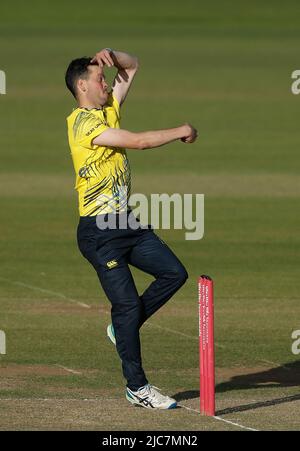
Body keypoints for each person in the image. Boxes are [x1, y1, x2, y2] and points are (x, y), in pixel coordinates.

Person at [65, 48, 198, 409]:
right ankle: (137, 388)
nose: (105, 83)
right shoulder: (83, 124)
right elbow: (138, 142)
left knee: (174, 273)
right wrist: (182, 130)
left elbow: (132, 65)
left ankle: (123, 327)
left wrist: (112, 53)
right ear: (82, 86)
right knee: (124, 305)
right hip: (98, 232)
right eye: (98, 79)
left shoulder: (107, 109)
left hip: (126, 222)